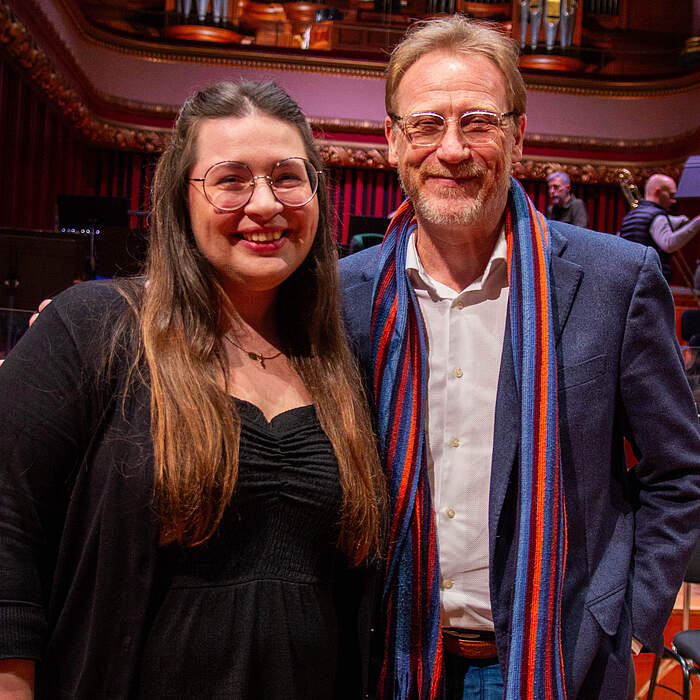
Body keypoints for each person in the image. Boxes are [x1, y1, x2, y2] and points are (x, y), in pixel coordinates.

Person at [339, 16, 700, 700]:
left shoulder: (617, 281)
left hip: (558, 659)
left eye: (478, 121)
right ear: (392, 140)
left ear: (518, 135)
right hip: (386, 656)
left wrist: (628, 624)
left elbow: (678, 472)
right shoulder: (345, 293)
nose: (452, 149)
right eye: (426, 124)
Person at [0, 81, 385, 699]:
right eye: (231, 180)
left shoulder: (344, 358)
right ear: (181, 199)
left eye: (288, 177)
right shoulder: (94, 327)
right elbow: (8, 527)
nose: (265, 204)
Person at [620, 173, 700, 283]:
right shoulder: (657, 216)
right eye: (671, 195)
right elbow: (669, 244)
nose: (673, 201)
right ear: (658, 192)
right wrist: (697, 223)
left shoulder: (630, 216)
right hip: (650, 278)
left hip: (629, 275)